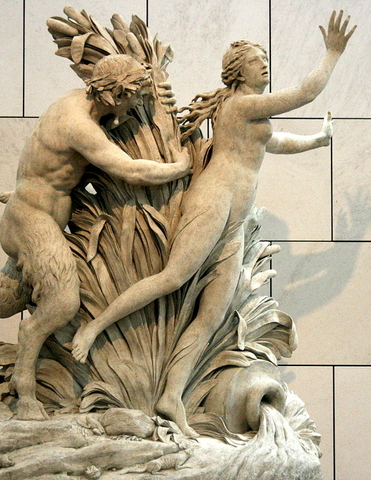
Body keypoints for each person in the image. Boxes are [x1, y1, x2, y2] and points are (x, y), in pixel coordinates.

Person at [71, 11, 355, 437]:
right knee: (172, 277)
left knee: (211, 315)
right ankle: (93, 328)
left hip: (235, 219)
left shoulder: (251, 116)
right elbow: (305, 93)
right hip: (213, 202)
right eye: (257, 61)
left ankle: (171, 396)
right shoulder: (240, 105)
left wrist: (318, 140)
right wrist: (332, 53)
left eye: (265, 60)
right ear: (239, 72)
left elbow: (273, 141)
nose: (265, 65)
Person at [0, 54, 190, 421]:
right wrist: (180, 167)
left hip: (32, 217)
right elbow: (129, 170)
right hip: (30, 219)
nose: (135, 106)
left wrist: (158, 95)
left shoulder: (81, 102)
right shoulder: (78, 124)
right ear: (115, 95)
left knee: (1, 300)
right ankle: (25, 389)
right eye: (133, 98)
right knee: (62, 304)